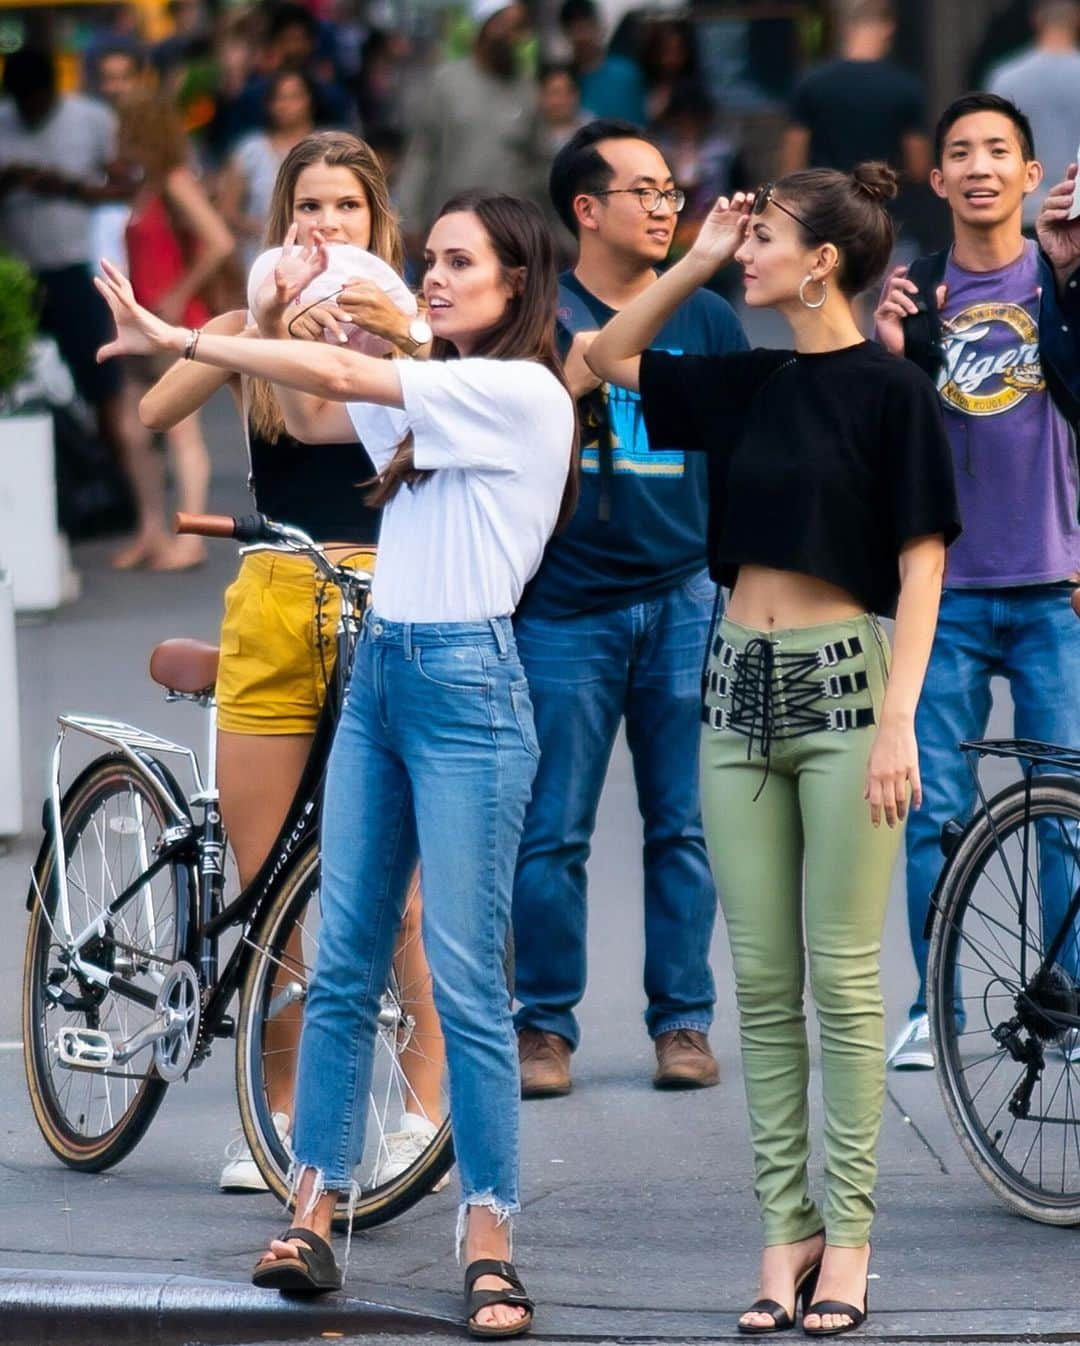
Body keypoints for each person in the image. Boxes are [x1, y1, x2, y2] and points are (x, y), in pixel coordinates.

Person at [96, 189, 577, 1336]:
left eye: (461, 263)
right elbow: (340, 382)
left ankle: (490, 1227)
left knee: (463, 978)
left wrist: (191, 337)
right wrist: (308, 292)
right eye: (435, 263)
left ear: (519, 285)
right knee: (344, 955)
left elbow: (367, 377)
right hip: (383, 679)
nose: (439, 278)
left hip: (468, 687)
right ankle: (312, 1206)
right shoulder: (433, 395)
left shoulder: (519, 392)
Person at [588, 165, 959, 1334]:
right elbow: (604, 358)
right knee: (760, 985)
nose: (744, 248)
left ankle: (847, 1240)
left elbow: (921, 562)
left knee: (844, 983)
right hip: (731, 689)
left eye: (764, 237)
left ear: (825, 262)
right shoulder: (746, 380)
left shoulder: (894, 393)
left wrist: (901, 714)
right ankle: (781, 1227)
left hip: (849, 691)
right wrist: (694, 260)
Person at [138, 129, 445, 1191]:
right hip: (275, 594)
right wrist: (244, 329)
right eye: (308, 208)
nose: (326, 228)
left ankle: (420, 1109)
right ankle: (268, 1112)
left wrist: (391, 324)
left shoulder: (409, 332)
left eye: (347, 210)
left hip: (389, 593)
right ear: (283, 221)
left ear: (379, 224)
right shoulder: (248, 324)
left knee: (397, 892)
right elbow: (154, 408)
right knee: (269, 886)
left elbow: (343, 414)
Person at [511, 120, 746, 1098]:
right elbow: (564, 390)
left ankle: (683, 1021)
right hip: (565, 605)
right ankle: (543, 1028)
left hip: (685, 594)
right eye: (644, 189)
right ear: (586, 208)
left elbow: (740, 452)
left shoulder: (711, 318)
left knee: (686, 825)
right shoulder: (540, 312)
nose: (666, 203)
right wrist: (686, 269)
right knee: (552, 829)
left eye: (670, 188)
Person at [874, 93, 1080, 1070]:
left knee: (1066, 818)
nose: (982, 166)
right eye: (962, 151)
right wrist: (889, 357)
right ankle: (934, 1006)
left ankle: (1067, 1005)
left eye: (1001, 149)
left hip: (1056, 591)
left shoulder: (1065, 278)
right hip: (944, 598)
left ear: (1030, 174)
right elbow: (883, 437)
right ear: (939, 177)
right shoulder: (912, 293)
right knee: (939, 816)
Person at [0, 46, 143, 532]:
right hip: (17, 275)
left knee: (101, 383)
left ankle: (120, 490)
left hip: (73, 267)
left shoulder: (89, 119)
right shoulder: (3, 121)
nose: (28, 113)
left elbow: (128, 184)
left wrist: (63, 186)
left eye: (35, 102)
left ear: (50, 92)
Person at [112, 93, 234, 570]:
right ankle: (151, 530)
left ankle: (191, 535)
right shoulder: (147, 187)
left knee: (180, 429)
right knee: (133, 429)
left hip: (173, 320)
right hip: (146, 320)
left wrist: (181, 292)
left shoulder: (174, 181)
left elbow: (219, 241)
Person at [395, 0, 537, 254]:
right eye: (506, 26)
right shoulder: (447, 83)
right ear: (485, 27)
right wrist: (410, 219)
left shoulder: (529, 90)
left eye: (520, 28)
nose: (514, 37)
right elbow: (422, 154)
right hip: (452, 226)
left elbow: (537, 164)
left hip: (509, 235)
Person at [779, 0, 929, 184]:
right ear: (889, 28)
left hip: (828, 201)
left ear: (848, 28)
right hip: (883, 203)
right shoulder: (905, 87)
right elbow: (918, 167)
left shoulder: (811, 83)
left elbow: (792, 161)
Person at [989, 0, 1080, 231]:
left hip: (1027, 210)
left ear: (1036, 20)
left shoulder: (1005, 78)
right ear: (1076, 19)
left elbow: (993, 146)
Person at [217, 68, 320, 271]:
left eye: (294, 97)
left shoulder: (328, 148)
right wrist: (268, 229)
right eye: (279, 98)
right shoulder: (251, 150)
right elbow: (226, 211)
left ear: (310, 100)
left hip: (316, 260)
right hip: (260, 259)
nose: (286, 105)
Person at [558, 0, 645, 126]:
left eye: (585, 26)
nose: (581, 36)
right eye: (574, 28)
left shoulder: (626, 74)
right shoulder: (563, 80)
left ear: (598, 26)